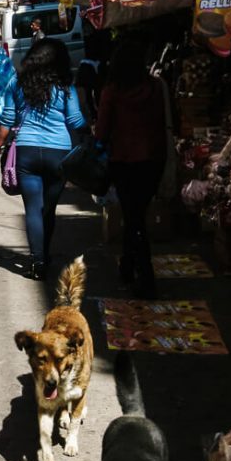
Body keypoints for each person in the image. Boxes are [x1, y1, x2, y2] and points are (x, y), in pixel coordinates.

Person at [0, 38, 87, 279]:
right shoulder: (65, 86)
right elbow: (75, 120)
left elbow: (7, 118)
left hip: (27, 152)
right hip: (59, 153)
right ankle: (44, 252)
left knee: (32, 208)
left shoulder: (18, 82)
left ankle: (38, 261)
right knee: (48, 209)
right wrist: (91, 134)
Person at [95, 39, 165, 298]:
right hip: (154, 159)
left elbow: (102, 131)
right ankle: (127, 264)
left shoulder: (112, 91)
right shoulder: (156, 87)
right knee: (136, 214)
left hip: (124, 160)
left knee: (133, 217)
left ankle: (146, 277)